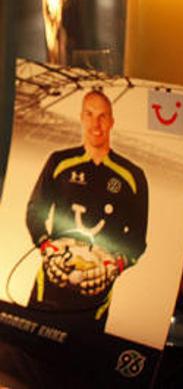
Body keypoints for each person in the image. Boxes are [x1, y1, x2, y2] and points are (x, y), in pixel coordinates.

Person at [26, 89, 148, 331]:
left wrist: (115, 266)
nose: (96, 124)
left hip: (96, 289)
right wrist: (47, 247)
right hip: (52, 279)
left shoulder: (133, 176)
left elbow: (136, 241)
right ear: (81, 117)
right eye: (90, 115)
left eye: (102, 116)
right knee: (32, 345)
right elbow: (35, 211)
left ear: (112, 121)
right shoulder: (59, 161)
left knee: (83, 349)